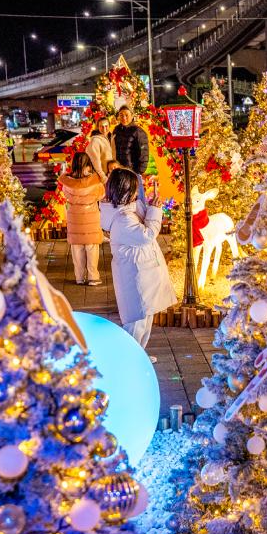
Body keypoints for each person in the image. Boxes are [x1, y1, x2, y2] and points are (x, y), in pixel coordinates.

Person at [101, 168, 177, 361]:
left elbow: (144, 219)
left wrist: (152, 206)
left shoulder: (128, 210)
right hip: (135, 276)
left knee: (145, 317)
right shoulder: (123, 219)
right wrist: (156, 211)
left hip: (143, 272)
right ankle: (129, 358)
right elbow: (147, 235)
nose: (137, 193)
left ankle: (138, 355)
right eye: (134, 189)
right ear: (125, 190)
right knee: (136, 322)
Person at [59, 152, 106, 286]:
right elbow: (101, 195)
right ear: (88, 163)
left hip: (74, 216)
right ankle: (93, 277)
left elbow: (66, 195)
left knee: (77, 248)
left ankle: (79, 277)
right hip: (91, 216)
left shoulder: (67, 182)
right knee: (91, 248)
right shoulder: (94, 181)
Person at [112, 106, 149, 175]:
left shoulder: (138, 131)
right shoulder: (116, 130)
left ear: (132, 116)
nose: (124, 118)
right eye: (121, 115)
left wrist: (138, 172)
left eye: (126, 115)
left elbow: (144, 155)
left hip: (132, 171)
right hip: (118, 169)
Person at [85, 116, 114, 182]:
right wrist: (103, 177)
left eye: (106, 126)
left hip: (112, 174)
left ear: (109, 126)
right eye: (101, 126)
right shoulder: (95, 140)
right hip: (104, 177)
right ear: (98, 127)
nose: (104, 129)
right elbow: (95, 161)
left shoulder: (111, 138)